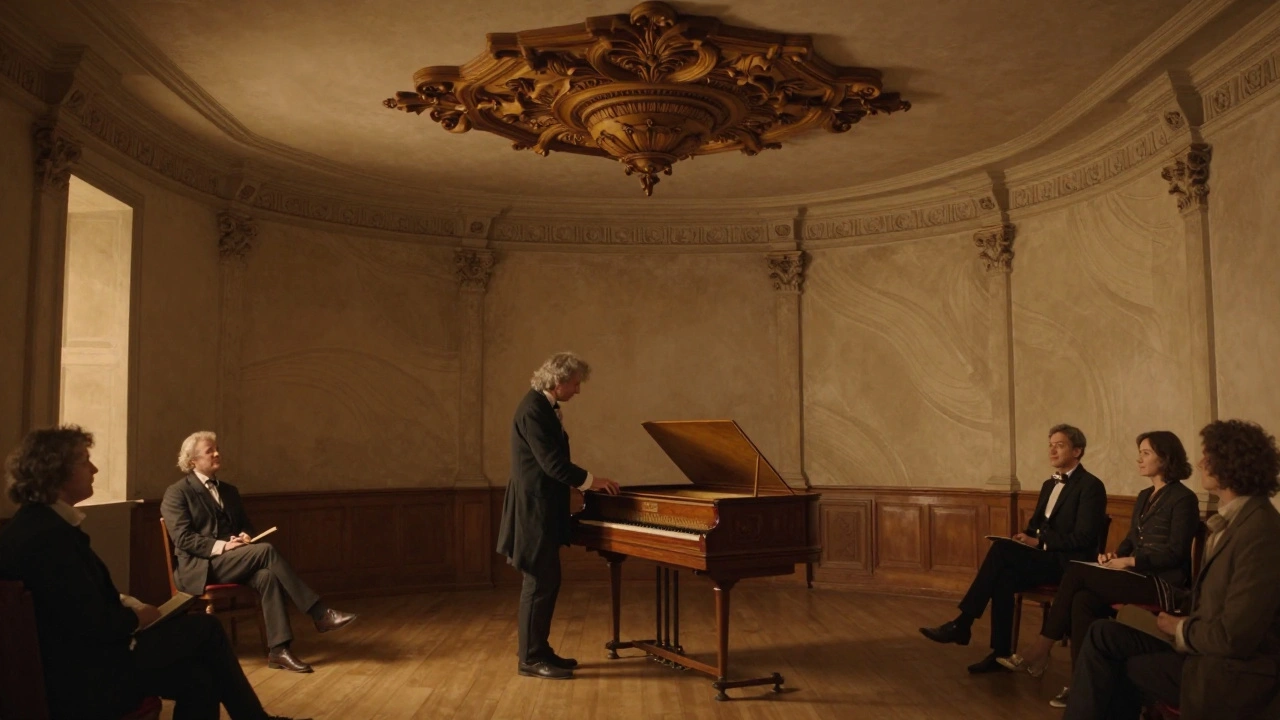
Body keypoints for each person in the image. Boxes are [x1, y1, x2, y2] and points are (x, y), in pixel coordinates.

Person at [0, 425, 308, 720]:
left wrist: (129, 605)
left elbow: (76, 601)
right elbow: (90, 623)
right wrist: (139, 617)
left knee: (199, 678)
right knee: (206, 630)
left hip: (82, 661)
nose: (94, 469)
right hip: (85, 678)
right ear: (55, 470)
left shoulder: (36, 526)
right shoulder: (49, 538)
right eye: (85, 461)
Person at [1064, 419, 1280, 720]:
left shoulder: (1260, 531)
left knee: (1119, 665)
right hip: (1201, 643)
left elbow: (1234, 637)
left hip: (1228, 670)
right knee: (1104, 632)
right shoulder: (1235, 522)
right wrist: (1172, 616)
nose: (1202, 462)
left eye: (1209, 455)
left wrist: (1179, 627)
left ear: (1233, 463)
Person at [998, 430, 1200, 708]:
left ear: (1165, 458)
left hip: (1164, 584)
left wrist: (1130, 562)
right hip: (1136, 575)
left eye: (1146, 453)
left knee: (1077, 572)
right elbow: (1132, 538)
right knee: (1084, 599)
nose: (1139, 458)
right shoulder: (1144, 495)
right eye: (1140, 452)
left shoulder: (1183, 498)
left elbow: (1176, 552)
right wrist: (1115, 554)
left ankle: (1041, 648)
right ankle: (1080, 684)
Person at [161, 431, 356, 673]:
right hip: (199, 568)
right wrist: (222, 546)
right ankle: (319, 613)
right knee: (265, 551)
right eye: (210, 451)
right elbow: (183, 538)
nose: (217, 453)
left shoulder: (229, 491)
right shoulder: (177, 492)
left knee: (267, 576)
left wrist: (245, 536)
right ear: (192, 461)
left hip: (233, 561)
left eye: (217, 448)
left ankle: (279, 651)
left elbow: (245, 525)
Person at [920, 423, 1108, 673]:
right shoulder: (1049, 484)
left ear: (1077, 451)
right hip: (1042, 559)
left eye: (1059, 445)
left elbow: (1084, 538)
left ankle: (963, 623)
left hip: (1068, 565)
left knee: (1000, 553)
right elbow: (1036, 526)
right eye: (1050, 445)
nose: (1052, 451)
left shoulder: (1091, 486)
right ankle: (1000, 653)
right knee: (1003, 576)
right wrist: (1024, 537)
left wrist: (1039, 542)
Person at [496, 352, 620, 680]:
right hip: (533, 509)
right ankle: (531, 659)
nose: (578, 391)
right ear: (558, 381)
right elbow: (552, 463)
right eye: (575, 384)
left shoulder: (543, 407)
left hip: (542, 507)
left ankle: (540, 650)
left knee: (547, 581)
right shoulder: (534, 409)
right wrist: (594, 482)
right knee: (539, 582)